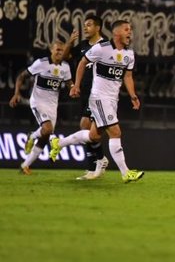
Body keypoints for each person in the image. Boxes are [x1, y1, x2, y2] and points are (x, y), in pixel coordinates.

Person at [50, 20, 144, 183]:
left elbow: (127, 76)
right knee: (116, 132)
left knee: (93, 136)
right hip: (99, 98)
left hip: (112, 100)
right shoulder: (101, 48)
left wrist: (133, 95)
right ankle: (126, 173)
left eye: (130, 29)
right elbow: (82, 63)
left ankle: (59, 143)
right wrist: (76, 85)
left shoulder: (129, 55)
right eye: (126, 29)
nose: (130, 32)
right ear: (116, 33)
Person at [9, 41, 73, 174]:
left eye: (62, 50)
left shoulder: (65, 67)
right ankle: (32, 137)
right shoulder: (41, 63)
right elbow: (22, 76)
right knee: (48, 129)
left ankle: (25, 165)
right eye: (57, 50)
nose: (59, 52)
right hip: (38, 102)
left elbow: (69, 84)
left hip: (52, 105)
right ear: (51, 50)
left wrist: (73, 89)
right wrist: (16, 94)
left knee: (44, 136)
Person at [62, 15, 109, 180]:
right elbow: (63, 58)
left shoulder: (106, 46)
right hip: (85, 92)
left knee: (85, 125)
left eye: (89, 25)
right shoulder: (82, 46)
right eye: (85, 25)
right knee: (87, 129)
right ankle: (97, 163)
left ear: (98, 27)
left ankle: (97, 163)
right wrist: (69, 42)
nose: (86, 28)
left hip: (99, 93)